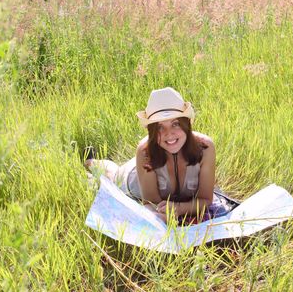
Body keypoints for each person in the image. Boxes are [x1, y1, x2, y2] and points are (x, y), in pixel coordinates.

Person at [85, 87, 218, 223]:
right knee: (112, 175)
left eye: (176, 124)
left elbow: (206, 200)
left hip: (171, 196)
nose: (168, 133)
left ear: (187, 124)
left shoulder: (205, 147)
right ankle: (90, 160)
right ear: (152, 131)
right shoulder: (144, 151)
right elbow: (150, 203)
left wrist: (179, 208)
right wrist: (162, 215)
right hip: (136, 178)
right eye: (160, 127)